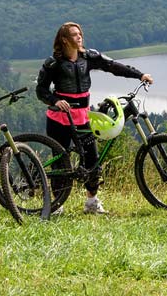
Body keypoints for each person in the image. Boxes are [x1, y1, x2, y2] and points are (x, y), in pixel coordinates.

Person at [35, 22, 152, 214]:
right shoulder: (53, 63)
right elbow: (40, 90)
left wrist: (139, 75)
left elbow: (113, 66)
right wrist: (55, 100)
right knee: (60, 162)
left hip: (82, 117)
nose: (79, 37)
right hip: (59, 119)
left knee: (92, 160)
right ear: (64, 39)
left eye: (80, 33)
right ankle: (57, 205)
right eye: (74, 35)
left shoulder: (88, 57)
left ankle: (91, 204)